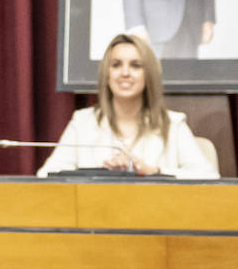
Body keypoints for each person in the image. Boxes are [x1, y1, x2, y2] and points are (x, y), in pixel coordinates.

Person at [37, 33, 218, 178]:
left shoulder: (173, 124)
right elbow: (45, 176)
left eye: (135, 65)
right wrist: (98, 175)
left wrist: (154, 172)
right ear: (107, 75)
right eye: (116, 65)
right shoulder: (83, 122)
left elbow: (208, 178)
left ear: (148, 75)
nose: (125, 73)